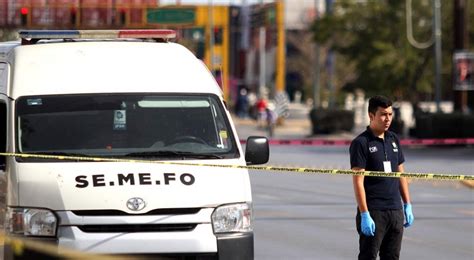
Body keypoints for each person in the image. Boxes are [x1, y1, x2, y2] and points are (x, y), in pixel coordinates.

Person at [349, 95, 414, 260]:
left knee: (392, 257)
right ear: (371, 116)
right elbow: (358, 181)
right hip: (374, 212)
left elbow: (401, 174)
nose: (388, 119)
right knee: (368, 256)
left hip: (395, 211)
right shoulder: (361, 143)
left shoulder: (393, 139)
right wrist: (364, 213)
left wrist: (407, 204)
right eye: (383, 114)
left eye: (390, 114)